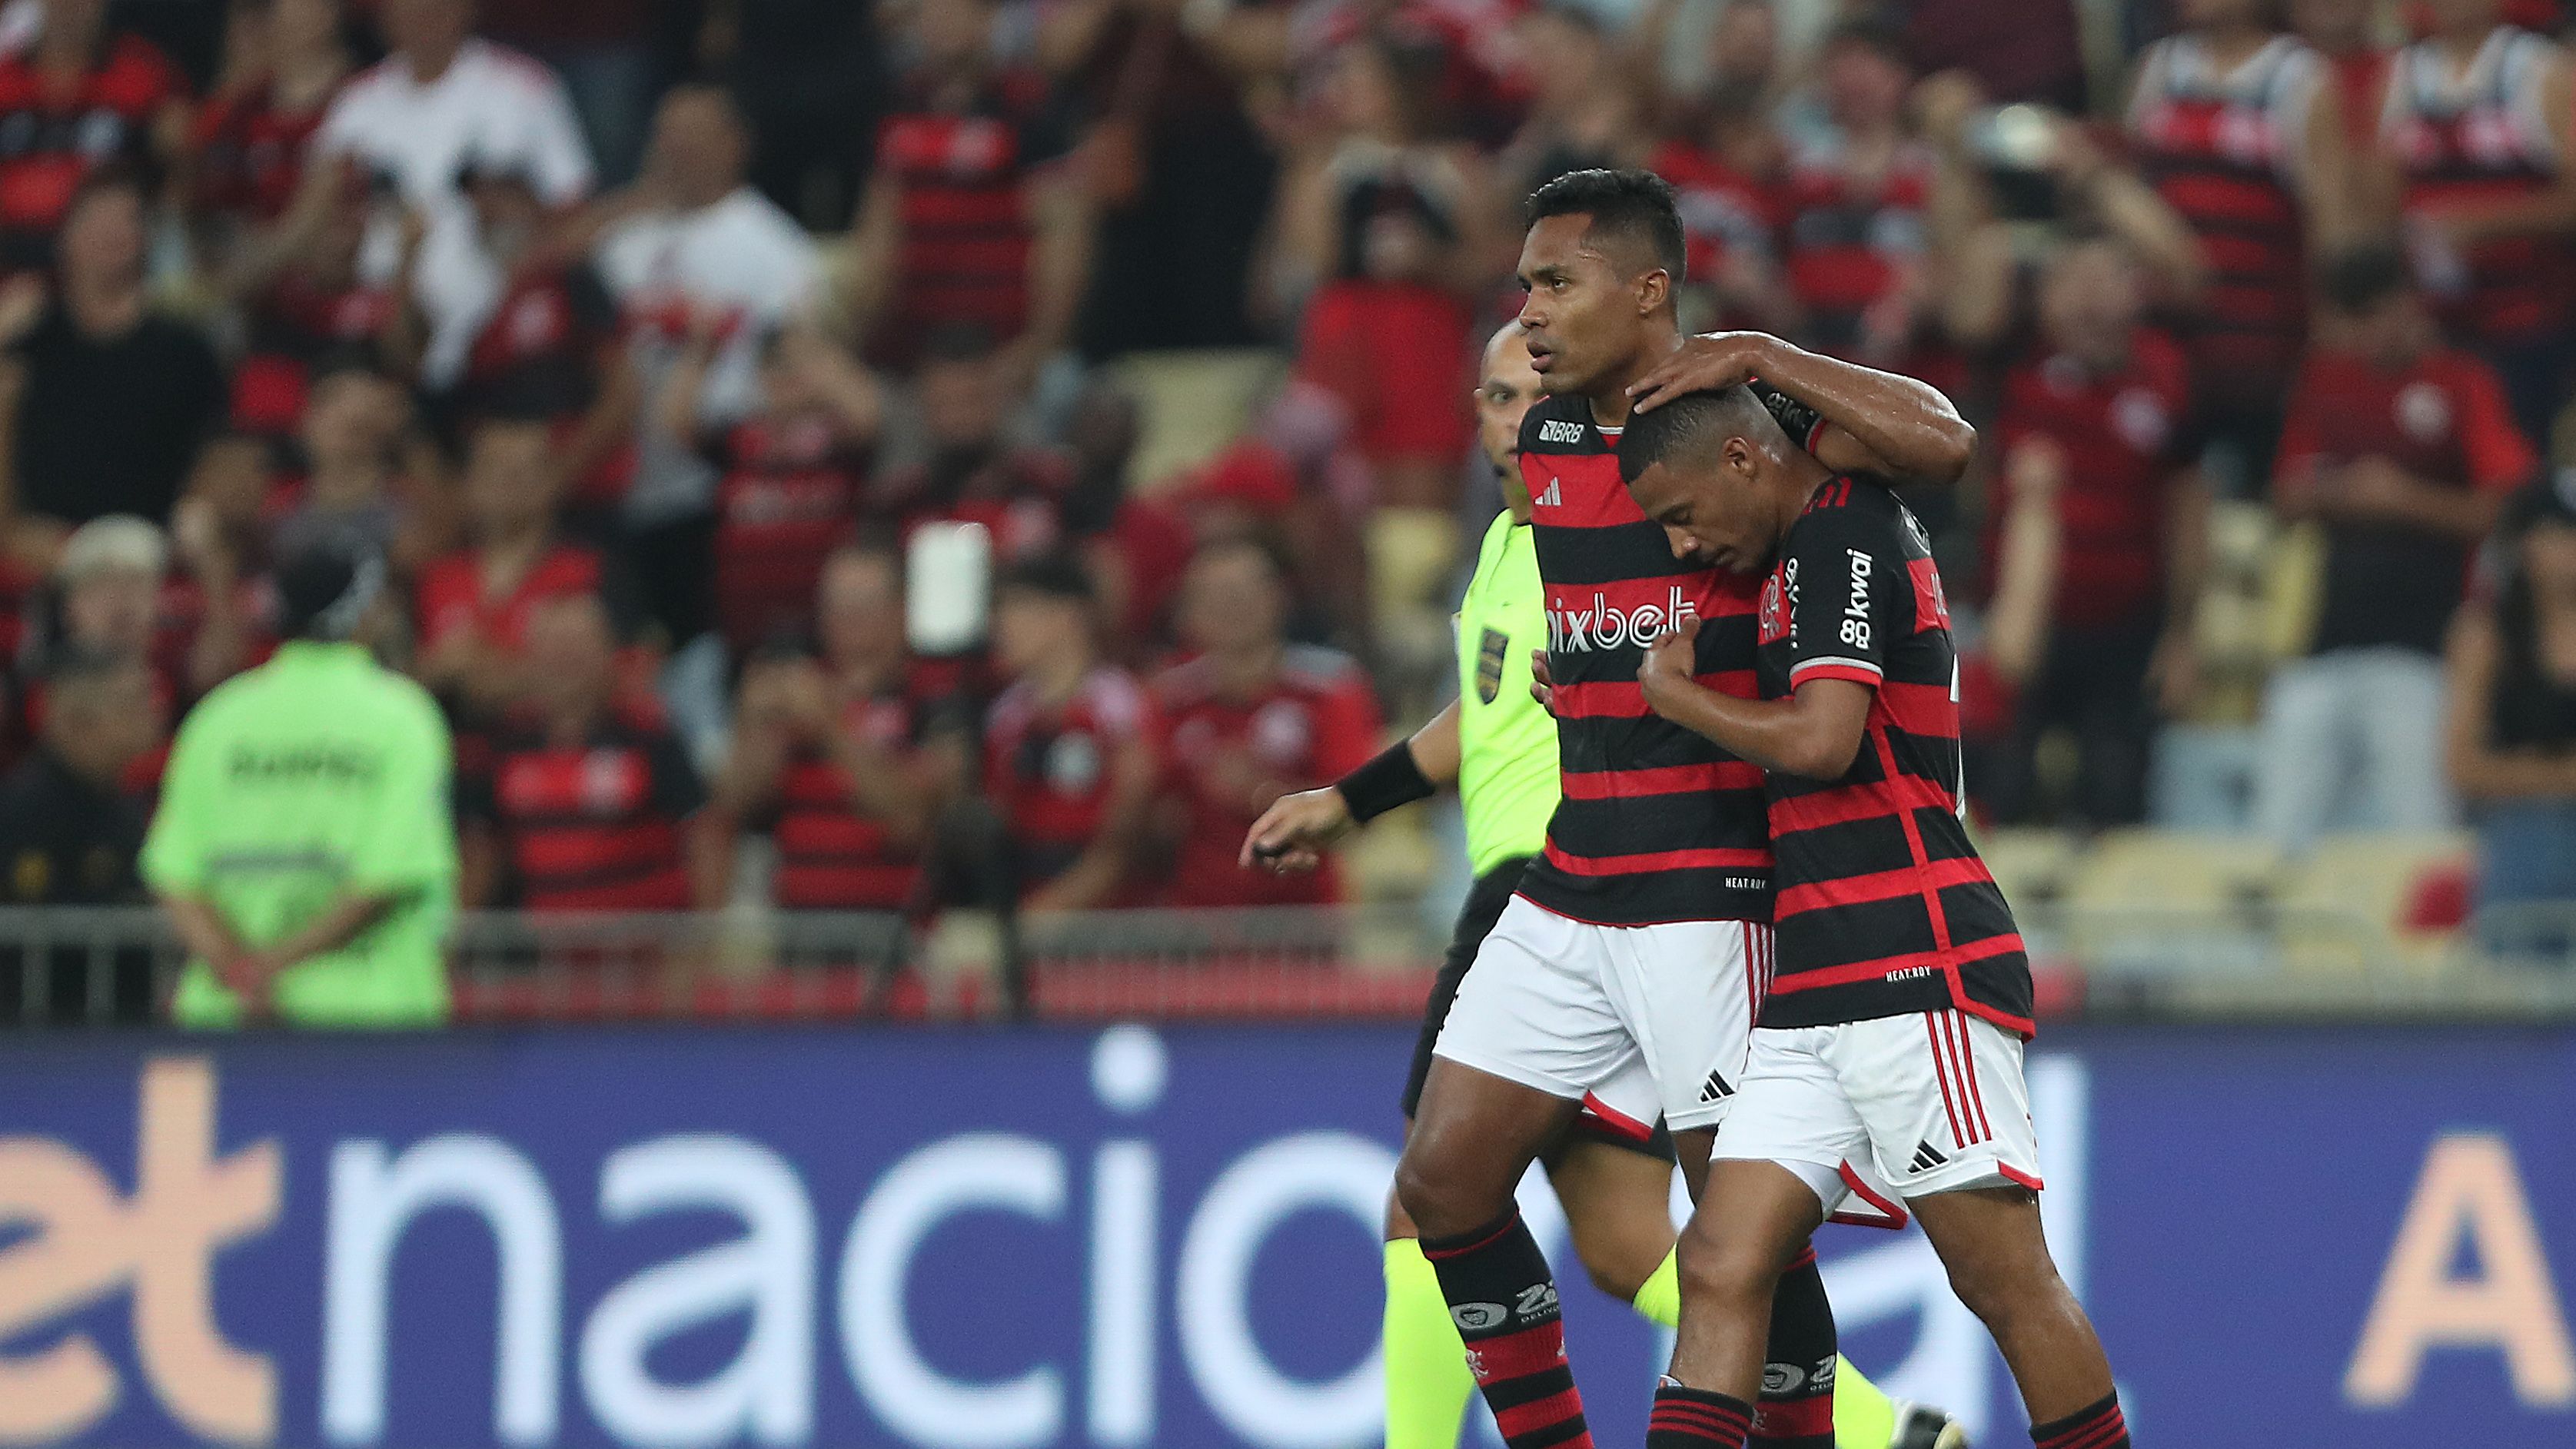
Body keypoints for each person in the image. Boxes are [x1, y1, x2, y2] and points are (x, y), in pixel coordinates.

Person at [1244, 321, 1959, 1449]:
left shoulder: (1648, 508)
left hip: (1587, 877)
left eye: (1518, 392)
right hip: (1562, 890)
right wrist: (1352, 799)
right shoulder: (1510, 546)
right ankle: (1880, 1432)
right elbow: (1482, 716)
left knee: (1445, 1203)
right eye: (1489, 397)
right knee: (1624, 1239)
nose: (1507, 418)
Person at [1613, 387, 2125, 1449]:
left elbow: (1822, 740)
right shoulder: (1800, 545)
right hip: (1815, 981)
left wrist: (1675, 698)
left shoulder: (1839, 533)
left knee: (2005, 1283)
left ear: (1744, 459)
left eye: (1681, 513)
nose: (1682, 542)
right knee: (1719, 1261)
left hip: (1914, 960)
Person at [2259, 244, 2538, 849]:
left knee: (2420, 836)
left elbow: (2508, 508)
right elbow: (2285, 494)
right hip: (2323, 643)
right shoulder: (2326, 379)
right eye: (2355, 319)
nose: (2369, 333)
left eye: (2379, 312)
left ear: (2411, 305)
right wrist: (2345, 493)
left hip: (2423, 650)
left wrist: (2403, 499)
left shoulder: (2460, 382)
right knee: (2276, 836)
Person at [144, 540, 460, 1028]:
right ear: (366, 611)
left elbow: (174, 873)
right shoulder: (403, 718)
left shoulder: (219, 717)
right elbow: (388, 876)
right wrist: (275, 966)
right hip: (370, 1016)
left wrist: (242, 975)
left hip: (228, 1015)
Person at [1976, 238, 2207, 828]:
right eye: (2074, 281)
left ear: (2135, 293)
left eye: (2105, 280)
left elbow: (2187, 511)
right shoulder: (2010, 361)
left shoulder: (2167, 375)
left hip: (2124, 628)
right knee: (2003, 792)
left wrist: (2181, 633)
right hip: (2022, 626)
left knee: (2114, 798)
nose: (2089, 298)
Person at [2126, 0, 2353, 487]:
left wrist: (2328, 350)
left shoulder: (2301, 79)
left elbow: (2330, 231)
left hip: (2264, 352)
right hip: (2166, 351)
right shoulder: (2159, 68)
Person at [711, 543, 965, 913]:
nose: (847, 617)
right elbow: (733, 806)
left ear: (900, 610)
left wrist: (832, 727)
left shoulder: (935, 696)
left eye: (863, 603)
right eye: (836, 603)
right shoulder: (795, 691)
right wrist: (755, 724)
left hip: (897, 931)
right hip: (803, 931)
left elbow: (910, 822)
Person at [0, 169, 224, 565]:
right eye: (97, 220)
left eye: (126, 220)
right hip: (38, 547)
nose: (111, 233)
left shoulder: (186, 350)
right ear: (63, 237)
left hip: (149, 549)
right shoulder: (26, 342)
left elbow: (213, 458)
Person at [2379, 0, 2576, 445]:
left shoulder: (2541, 71)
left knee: (2518, 455)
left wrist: (2478, 225)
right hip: (2432, 328)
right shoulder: (2403, 74)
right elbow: (2381, 206)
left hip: (2529, 325)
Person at [456, 590, 724, 912]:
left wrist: (705, 932)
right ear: (530, 659)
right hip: (544, 940)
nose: (566, 663)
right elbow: (483, 850)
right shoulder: (506, 746)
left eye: (578, 649)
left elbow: (704, 834)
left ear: (609, 654)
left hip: (642, 938)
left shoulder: (649, 737)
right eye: (555, 650)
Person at [1152, 536, 1378, 909]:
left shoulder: (1331, 688)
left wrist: (1260, 791)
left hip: (1302, 915)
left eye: (1245, 591)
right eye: (1216, 595)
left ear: (1280, 596)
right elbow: (1147, 822)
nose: (1233, 607)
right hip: (1193, 918)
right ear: (1188, 611)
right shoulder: (1168, 699)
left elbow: (1360, 804)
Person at [981, 553, 1156, 911]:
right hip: (1024, 904)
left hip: (1108, 919)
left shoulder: (1120, 703)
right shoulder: (1005, 715)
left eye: (1018, 607)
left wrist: (1045, 914)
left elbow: (1126, 836)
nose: (1002, 625)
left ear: (1069, 615)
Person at [2447, 475, 2576, 953]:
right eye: (2563, 533)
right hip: (2523, 841)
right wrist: (2562, 776)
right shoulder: (2486, 635)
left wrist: (2530, 771)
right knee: (2536, 834)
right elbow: (2462, 767)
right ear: (2527, 545)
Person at [0, 644, 161, 1021]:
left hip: (119, 1026)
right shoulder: (23, 814)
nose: (153, 711)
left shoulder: (124, 805)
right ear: (77, 720)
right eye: (132, 703)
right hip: (34, 1032)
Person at [413, 412, 607, 717]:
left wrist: (478, 667)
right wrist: (438, 668)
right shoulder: (436, 577)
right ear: (467, 481)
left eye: (522, 470)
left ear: (552, 479)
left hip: (549, 739)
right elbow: (410, 675)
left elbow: (611, 673)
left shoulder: (585, 570)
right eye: (493, 468)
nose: (507, 481)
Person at [0, 0, 189, 269]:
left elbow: (179, 170)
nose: (71, 6)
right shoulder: (6, 76)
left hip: (112, 258)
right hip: (11, 255)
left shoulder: (142, 73)